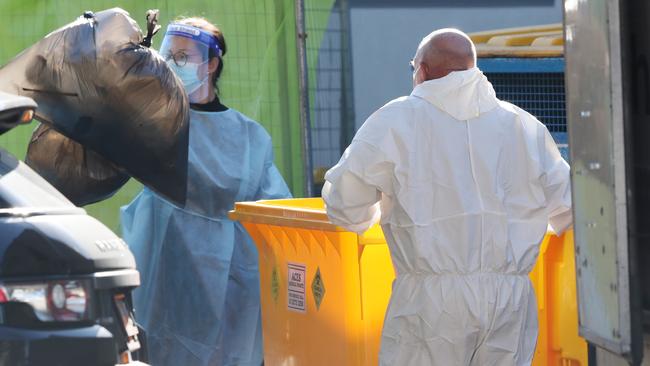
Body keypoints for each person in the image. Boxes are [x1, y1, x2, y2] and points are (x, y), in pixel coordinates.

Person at [322, 29, 572, 366]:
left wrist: (374, 211)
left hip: (432, 303)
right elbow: (567, 208)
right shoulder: (524, 126)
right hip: (510, 299)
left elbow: (344, 206)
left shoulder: (395, 120)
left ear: (421, 70)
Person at [121, 17, 291, 366]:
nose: (173, 64)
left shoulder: (249, 137)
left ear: (211, 64)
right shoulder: (156, 127)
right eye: (169, 55)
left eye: (184, 57)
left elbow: (276, 211)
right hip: (170, 274)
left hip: (232, 281)